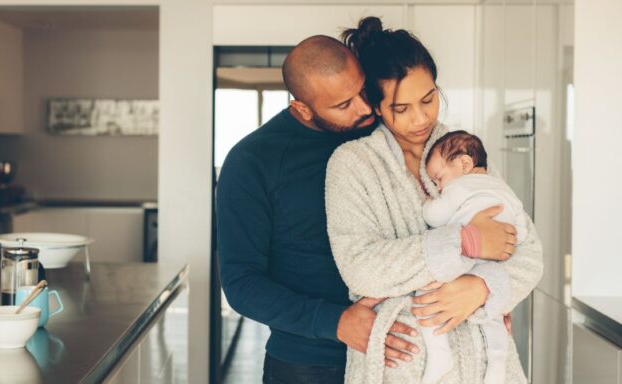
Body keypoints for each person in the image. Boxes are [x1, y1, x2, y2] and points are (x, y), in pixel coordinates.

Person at [325, 16, 543, 383]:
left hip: (485, 365)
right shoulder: (352, 164)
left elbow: (530, 253)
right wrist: (463, 241)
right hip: (404, 366)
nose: (421, 117)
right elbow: (360, 267)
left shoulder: (462, 150)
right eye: (401, 108)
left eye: (428, 99)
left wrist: (481, 287)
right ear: (376, 107)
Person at [217, 35, 411, 384]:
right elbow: (241, 283)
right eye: (343, 105)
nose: (365, 109)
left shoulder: (382, 132)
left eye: (362, 90)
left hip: (403, 352)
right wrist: (337, 323)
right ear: (302, 108)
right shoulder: (252, 162)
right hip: (310, 364)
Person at [421, 130, 529, 384]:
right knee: (493, 316)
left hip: (466, 257)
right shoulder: (504, 189)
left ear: (465, 164)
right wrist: (510, 238)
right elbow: (522, 231)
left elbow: (435, 217)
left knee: (426, 297)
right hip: (496, 264)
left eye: (439, 178)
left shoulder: (459, 187)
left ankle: (439, 356)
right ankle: (498, 365)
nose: (439, 186)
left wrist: (427, 203)